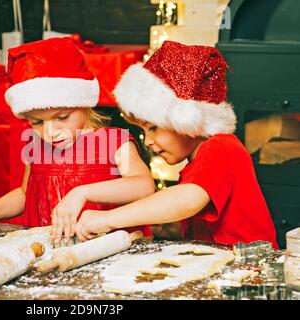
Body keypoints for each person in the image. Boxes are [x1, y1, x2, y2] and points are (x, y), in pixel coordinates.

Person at [75, 41, 278, 248]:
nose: (148, 141)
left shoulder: (221, 148)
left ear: (185, 119)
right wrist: (177, 228)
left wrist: (109, 219)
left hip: (250, 268)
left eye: (153, 128)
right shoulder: (197, 160)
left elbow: (185, 200)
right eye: (144, 132)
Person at [0, 37, 155, 243]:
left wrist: (83, 193)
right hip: (50, 251)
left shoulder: (114, 142)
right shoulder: (36, 146)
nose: (50, 132)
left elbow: (143, 185)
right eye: (37, 122)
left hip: (103, 251)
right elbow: (26, 194)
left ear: (84, 104)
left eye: (62, 117)